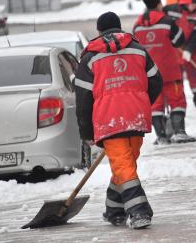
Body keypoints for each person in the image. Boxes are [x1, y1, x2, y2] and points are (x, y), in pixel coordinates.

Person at [75, 12, 163, 229]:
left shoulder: (89, 58)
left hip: (108, 120)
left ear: (99, 32)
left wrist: (86, 132)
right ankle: (114, 211)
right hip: (136, 116)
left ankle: (139, 212)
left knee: (123, 166)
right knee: (125, 165)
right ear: (119, 28)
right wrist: (141, 102)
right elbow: (157, 81)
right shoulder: (138, 50)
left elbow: (83, 100)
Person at [134, 0, 196, 144]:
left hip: (149, 72)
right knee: (176, 100)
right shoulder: (167, 21)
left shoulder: (137, 26)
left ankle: (161, 136)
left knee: (155, 104)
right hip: (169, 70)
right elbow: (179, 40)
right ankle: (179, 132)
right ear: (158, 5)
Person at [163, 0, 196, 109]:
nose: (193, 6)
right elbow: (161, 17)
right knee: (177, 75)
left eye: (195, 4)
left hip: (190, 48)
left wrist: (189, 50)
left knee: (194, 74)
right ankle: (178, 100)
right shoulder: (172, 10)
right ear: (185, 2)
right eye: (191, 4)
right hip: (175, 47)